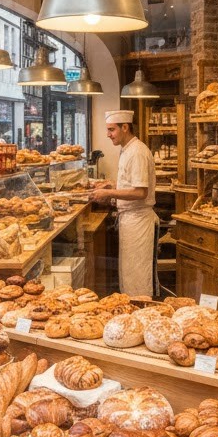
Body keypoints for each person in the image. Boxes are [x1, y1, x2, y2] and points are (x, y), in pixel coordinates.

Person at [92, 110, 158, 297]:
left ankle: (141, 313)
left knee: (137, 276)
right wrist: (111, 184)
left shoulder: (137, 152)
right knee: (129, 274)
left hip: (138, 220)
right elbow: (131, 183)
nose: (108, 134)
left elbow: (140, 191)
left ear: (125, 127)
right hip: (131, 220)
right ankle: (131, 313)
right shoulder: (128, 149)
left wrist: (109, 192)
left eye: (111, 129)